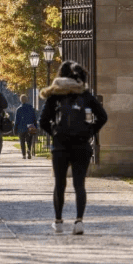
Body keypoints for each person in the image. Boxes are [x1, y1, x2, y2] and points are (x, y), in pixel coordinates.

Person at [39, 61, 107, 236]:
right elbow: (103, 116)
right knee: (79, 184)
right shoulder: (84, 93)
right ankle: (79, 221)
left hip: (60, 145)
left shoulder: (55, 94)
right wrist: (90, 131)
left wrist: (55, 133)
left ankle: (59, 221)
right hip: (81, 144)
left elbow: (43, 121)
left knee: (59, 184)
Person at [14, 94, 38, 159]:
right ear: (27, 100)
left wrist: (15, 129)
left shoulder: (19, 109)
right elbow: (34, 118)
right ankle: (29, 150)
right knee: (29, 140)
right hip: (30, 126)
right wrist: (36, 126)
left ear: (21, 100)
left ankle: (24, 154)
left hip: (21, 127)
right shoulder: (31, 108)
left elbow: (17, 120)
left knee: (22, 141)